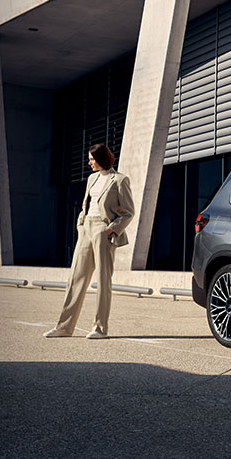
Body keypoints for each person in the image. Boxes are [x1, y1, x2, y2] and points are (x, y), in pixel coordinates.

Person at [44, 143, 135, 339]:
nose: (89, 163)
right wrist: (80, 225)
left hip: (104, 230)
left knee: (103, 281)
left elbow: (129, 212)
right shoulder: (92, 179)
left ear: (102, 158)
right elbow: (87, 204)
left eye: (92, 159)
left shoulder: (119, 180)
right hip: (86, 229)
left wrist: (111, 229)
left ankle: (100, 328)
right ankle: (64, 327)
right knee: (76, 278)